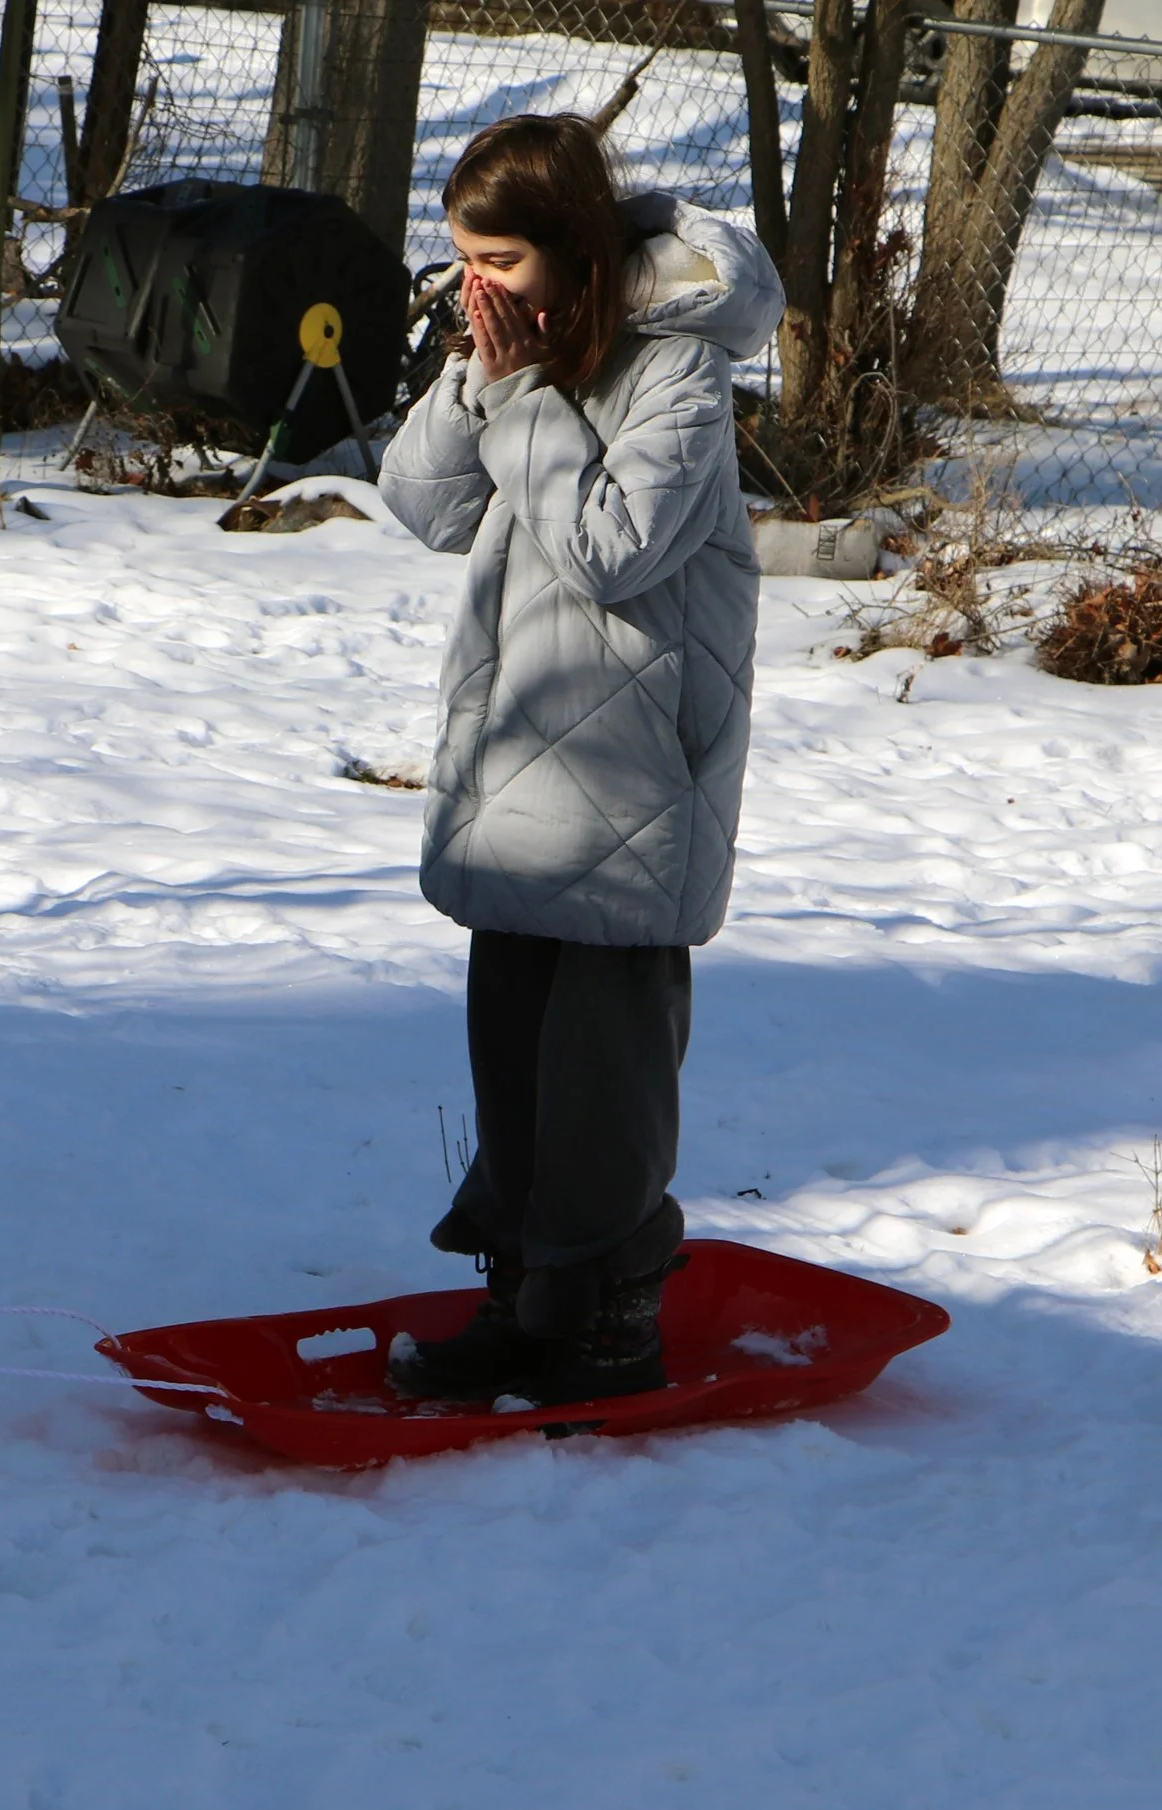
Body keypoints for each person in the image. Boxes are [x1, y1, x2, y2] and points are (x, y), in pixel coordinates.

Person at [376, 113, 783, 1408]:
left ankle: (608, 1322)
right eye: (460, 258)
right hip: (519, 776)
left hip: (630, 780)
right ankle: (522, 1306)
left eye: (497, 256)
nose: (474, 283)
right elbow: (427, 506)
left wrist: (521, 399)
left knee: (604, 1084)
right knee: (516, 1067)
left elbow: (616, 547)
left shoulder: (678, 376)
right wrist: (476, 381)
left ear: (574, 250)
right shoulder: (519, 354)